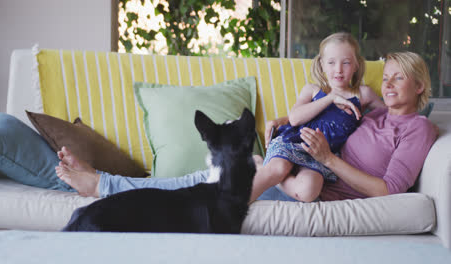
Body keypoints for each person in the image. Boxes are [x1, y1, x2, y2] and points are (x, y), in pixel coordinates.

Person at [55, 51, 438, 204]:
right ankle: (103, 184)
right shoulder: (373, 114)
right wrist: (284, 120)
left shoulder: (418, 129)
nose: (387, 85)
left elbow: (388, 189)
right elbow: (329, 116)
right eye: (385, 78)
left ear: (419, 86)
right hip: (303, 168)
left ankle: (102, 185)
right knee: (197, 181)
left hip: (316, 187)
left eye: (398, 79)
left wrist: (327, 160)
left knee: (194, 187)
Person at [249, 32, 384, 203]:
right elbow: (295, 118)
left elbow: (392, 115)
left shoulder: (363, 94)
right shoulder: (313, 90)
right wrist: (331, 98)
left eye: (346, 63)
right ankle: (231, 207)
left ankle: (259, 165)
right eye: (331, 62)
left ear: (357, 64)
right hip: (293, 141)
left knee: (308, 192)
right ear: (322, 64)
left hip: (320, 155)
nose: (338, 69)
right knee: (278, 169)